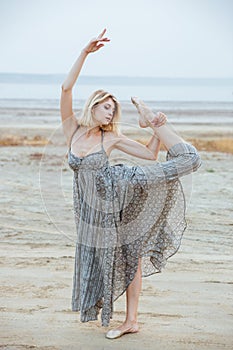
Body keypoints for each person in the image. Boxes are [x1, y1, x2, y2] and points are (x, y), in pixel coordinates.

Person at [60, 29, 201, 339]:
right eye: (107, 106)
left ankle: (131, 321)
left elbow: (150, 155)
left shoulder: (112, 137)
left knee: (131, 254)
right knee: (109, 257)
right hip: (91, 211)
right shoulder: (73, 130)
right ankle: (128, 320)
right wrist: (84, 52)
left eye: (115, 108)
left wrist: (154, 127)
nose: (111, 111)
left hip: (122, 190)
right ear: (94, 106)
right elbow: (66, 87)